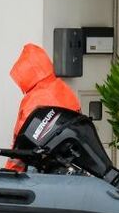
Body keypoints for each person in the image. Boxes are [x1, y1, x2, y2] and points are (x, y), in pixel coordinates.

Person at [5, 42, 81, 171]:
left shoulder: (33, 100)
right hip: (71, 163)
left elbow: (21, 145)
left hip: (42, 168)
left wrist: (10, 174)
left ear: (26, 74)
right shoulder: (65, 90)